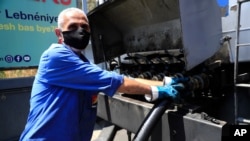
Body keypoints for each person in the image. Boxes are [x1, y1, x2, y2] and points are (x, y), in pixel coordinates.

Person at [19, 7, 186, 141]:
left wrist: (166, 83)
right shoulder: (55, 56)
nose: (80, 31)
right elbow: (115, 81)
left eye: (84, 27)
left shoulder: (83, 64)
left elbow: (123, 80)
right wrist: (158, 91)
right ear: (59, 33)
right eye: (72, 27)